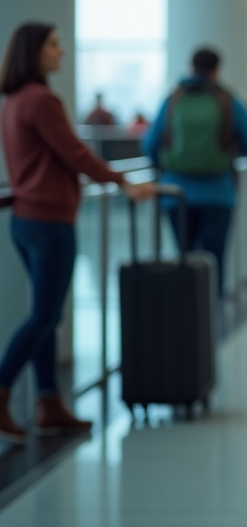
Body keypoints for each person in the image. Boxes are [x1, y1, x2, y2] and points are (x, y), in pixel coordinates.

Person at [0, 23, 154, 444]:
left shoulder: (13, 101)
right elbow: (75, 153)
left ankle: (48, 403)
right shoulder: (42, 100)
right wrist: (123, 183)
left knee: (45, 314)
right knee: (46, 315)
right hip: (49, 221)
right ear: (33, 51)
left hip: (25, 220)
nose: (61, 52)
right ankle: (3, 388)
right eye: (54, 45)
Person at [141, 48, 247, 297]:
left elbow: (149, 144)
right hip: (218, 194)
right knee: (213, 261)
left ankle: (186, 315)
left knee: (184, 258)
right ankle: (211, 319)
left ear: (190, 66)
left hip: (174, 193)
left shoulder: (173, 99)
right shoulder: (228, 100)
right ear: (217, 70)